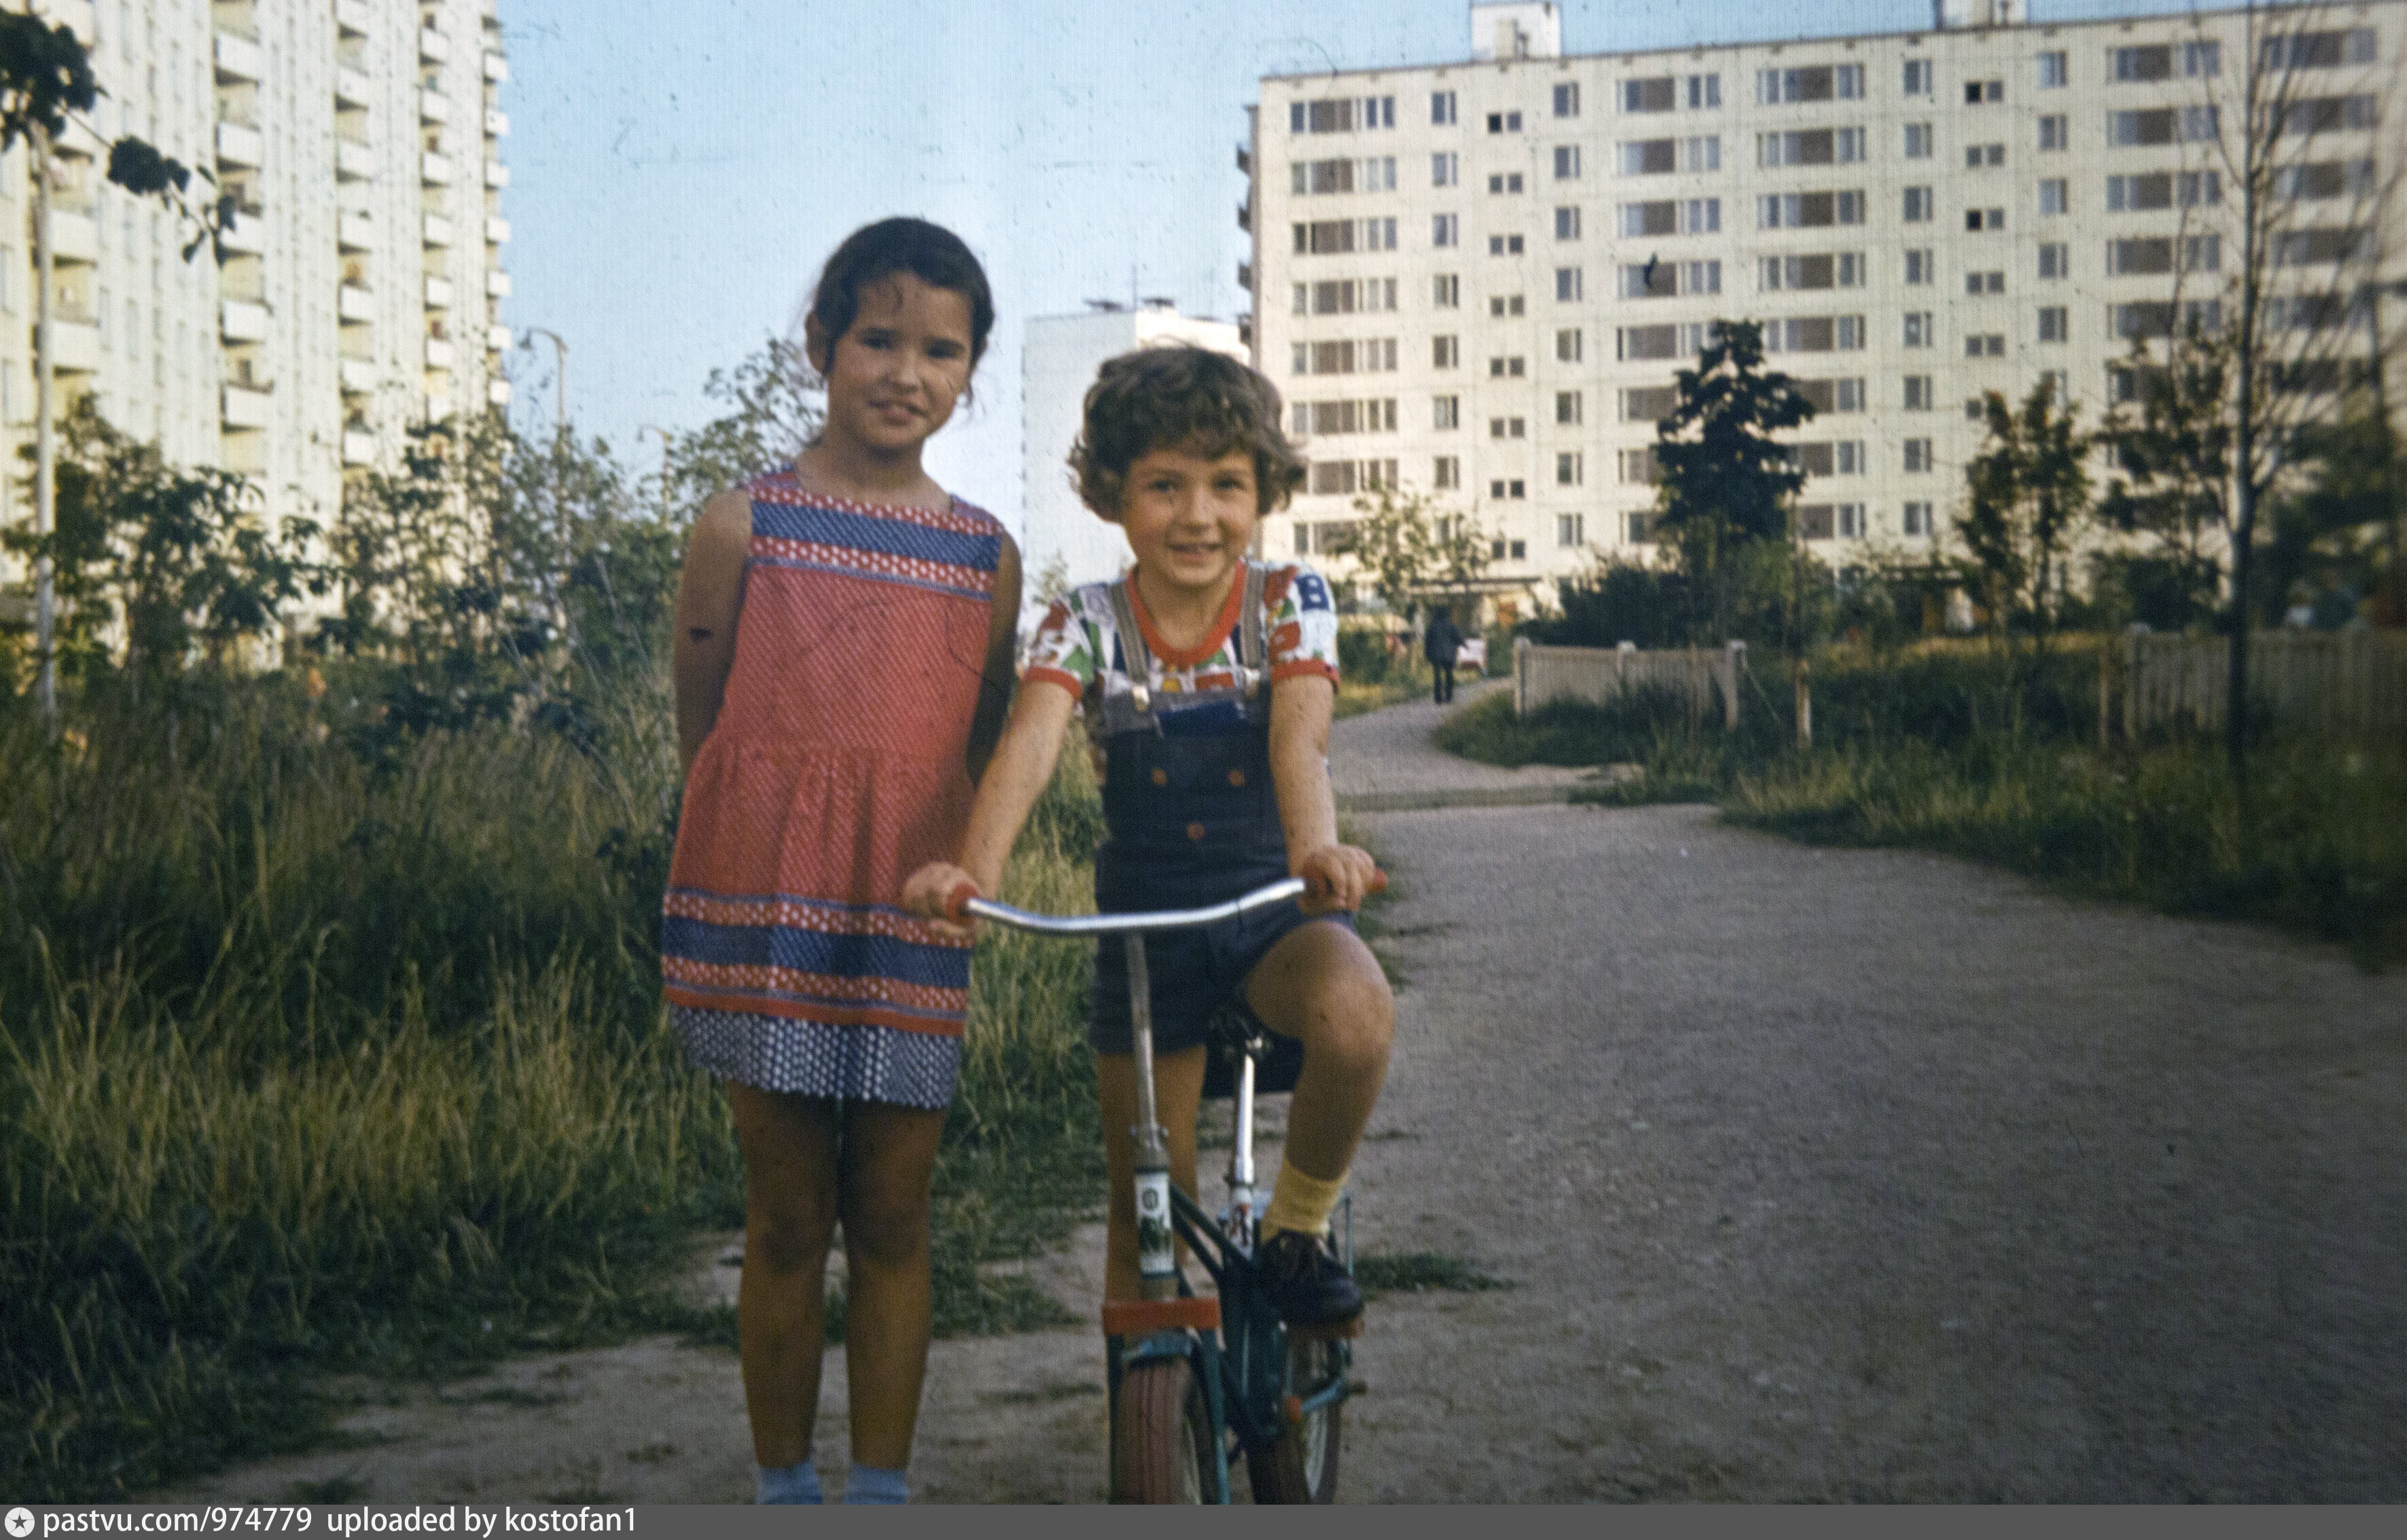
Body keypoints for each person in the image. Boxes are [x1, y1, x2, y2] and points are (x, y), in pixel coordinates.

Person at [902, 345, 1394, 1329]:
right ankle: (1148, 1411)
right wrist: (972, 874)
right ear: (1111, 494)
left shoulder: (1286, 601)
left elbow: (1298, 741)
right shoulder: (1084, 620)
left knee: (1357, 1011)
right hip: (1142, 947)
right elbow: (1029, 744)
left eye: (1226, 485)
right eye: (1164, 485)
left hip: (1272, 918)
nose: (1197, 515)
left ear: (1263, 493)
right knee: (1146, 1214)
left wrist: (1319, 855)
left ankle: (1296, 1230)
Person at [662, 218, 1018, 1506]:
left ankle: (878, 1492)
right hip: (764, 905)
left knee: (894, 1212)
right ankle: (783, 1488)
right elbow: (704, 722)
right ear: (819, 343)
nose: (905, 373)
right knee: (785, 1217)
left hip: (910, 911)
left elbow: (974, 739)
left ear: (968, 371)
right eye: (877, 338)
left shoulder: (984, 554)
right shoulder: (740, 524)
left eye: (941, 350)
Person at [1423, 608, 1465, 704]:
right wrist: (1465, 645)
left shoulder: (1432, 627)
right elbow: (1458, 639)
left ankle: (1438, 698)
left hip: (1436, 655)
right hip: (1449, 655)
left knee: (1437, 676)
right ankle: (1449, 697)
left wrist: (1427, 655)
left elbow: (1428, 642)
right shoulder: (1451, 626)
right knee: (1449, 675)